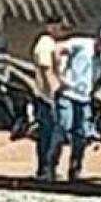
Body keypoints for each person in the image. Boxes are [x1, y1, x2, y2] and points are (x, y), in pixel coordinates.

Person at [48, 24, 101, 181]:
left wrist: (94, 91)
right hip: (68, 94)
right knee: (63, 128)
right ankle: (51, 166)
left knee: (81, 135)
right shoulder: (81, 44)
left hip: (84, 99)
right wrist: (59, 76)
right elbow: (58, 49)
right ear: (100, 40)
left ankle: (75, 169)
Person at [30, 18, 69, 180]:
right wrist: (53, 92)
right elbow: (46, 69)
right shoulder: (45, 43)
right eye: (60, 26)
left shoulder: (51, 44)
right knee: (50, 134)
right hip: (48, 98)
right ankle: (45, 169)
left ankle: (49, 169)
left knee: (54, 133)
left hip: (50, 96)